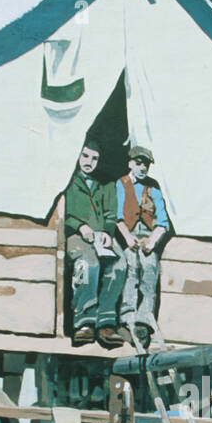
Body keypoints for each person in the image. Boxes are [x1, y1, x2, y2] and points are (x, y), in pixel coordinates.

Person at [62, 134, 126, 349]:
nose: (89, 162)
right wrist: (80, 226)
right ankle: (84, 321)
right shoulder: (68, 180)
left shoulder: (105, 183)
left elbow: (110, 213)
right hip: (76, 235)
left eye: (94, 158)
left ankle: (106, 322)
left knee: (119, 263)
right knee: (89, 263)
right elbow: (64, 213)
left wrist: (107, 232)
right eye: (85, 156)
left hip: (100, 235)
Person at [115, 144, 170, 347]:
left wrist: (153, 240)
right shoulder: (121, 184)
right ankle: (127, 316)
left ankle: (144, 319)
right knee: (131, 267)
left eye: (145, 164)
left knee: (149, 268)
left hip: (147, 235)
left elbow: (163, 221)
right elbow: (117, 217)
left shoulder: (153, 187)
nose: (142, 168)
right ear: (130, 163)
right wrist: (128, 238)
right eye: (138, 163)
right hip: (127, 235)